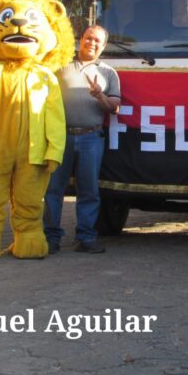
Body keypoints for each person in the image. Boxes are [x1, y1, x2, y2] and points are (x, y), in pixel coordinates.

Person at [44, 25, 121, 254]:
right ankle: (51, 238)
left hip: (91, 138)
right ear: (81, 40)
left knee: (88, 191)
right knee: (53, 190)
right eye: (88, 38)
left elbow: (114, 109)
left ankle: (86, 237)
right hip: (60, 137)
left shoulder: (108, 73)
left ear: (104, 46)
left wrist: (100, 96)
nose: (92, 43)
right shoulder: (60, 66)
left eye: (97, 40)